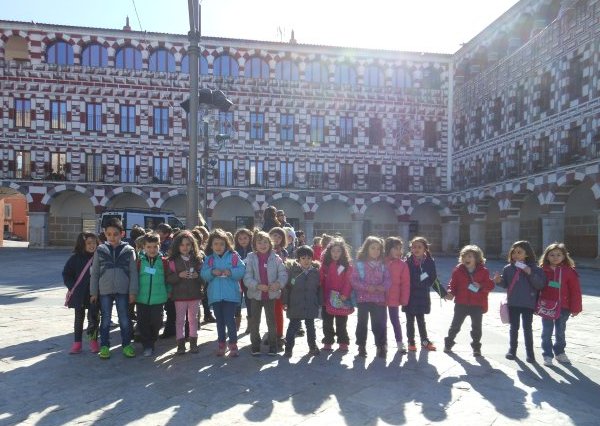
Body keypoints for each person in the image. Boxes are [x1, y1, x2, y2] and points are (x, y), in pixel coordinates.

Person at [90, 218, 138, 359]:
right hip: (104, 291)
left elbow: (133, 273)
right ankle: (105, 346)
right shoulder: (100, 250)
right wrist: (93, 292)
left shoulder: (129, 250)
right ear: (105, 234)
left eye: (115, 234)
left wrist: (133, 292)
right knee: (105, 319)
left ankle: (127, 344)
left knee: (124, 319)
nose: (112, 237)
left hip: (123, 291)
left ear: (122, 234)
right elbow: (95, 273)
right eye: (109, 234)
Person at [494, 240, 546, 363]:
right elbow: (506, 284)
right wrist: (498, 281)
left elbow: (540, 285)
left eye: (519, 252)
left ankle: (530, 354)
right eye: (514, 252)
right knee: (514, 328)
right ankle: (512, 350)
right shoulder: (508, 268)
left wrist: (530, 273)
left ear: (527, 254)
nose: (515, 255)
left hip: (528, 303)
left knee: (527, 328)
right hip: (513, 303)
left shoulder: (535, 269)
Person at [443, 245, 496, 357]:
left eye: (470, 256)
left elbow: (489, 285)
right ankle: (448, 344)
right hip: (461, 303)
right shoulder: (458, 270)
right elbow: (452, 284)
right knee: (455, 325)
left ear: (476, 258)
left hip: (477, 304)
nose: (466, 259)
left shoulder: (484, 271)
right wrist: (450, 292)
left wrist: (480, 286)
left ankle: (476, 347)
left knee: (476, 328)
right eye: (464, 256)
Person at [201, 229, 246, 357]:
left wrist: (231, 272)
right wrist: (211, 272)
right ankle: (221, 344)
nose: (219, 247)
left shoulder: (233, 256)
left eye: (221, 244)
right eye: (215, 244)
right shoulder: (209, 259)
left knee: (230, 320)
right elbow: (203, 274)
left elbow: (242, 270)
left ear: (226, 245)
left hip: (231, 296)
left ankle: (233, 344)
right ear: (211, 246)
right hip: (215, 296)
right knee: (220, 321)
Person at [243, 231, 288, 356]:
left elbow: (283, 274)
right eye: (259, 242)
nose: (263, 245)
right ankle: (255, 345)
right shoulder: (251, 258)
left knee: (271, 321)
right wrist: (257, 286)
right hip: (255, 295)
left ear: (270, 243)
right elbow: (247, 277)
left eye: (265, 242)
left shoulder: (276, 258)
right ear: (254, 245)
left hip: (271, 295)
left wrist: (278, 284)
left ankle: (273, 345)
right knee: (254, 321)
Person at [538, 242, 582, 366]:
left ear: (564, 256)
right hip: (547, 305)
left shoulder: (569, 271)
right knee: (546, 332)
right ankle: (547, 354)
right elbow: (536, 287)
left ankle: (560, 352)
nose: (555, 257)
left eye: (558, 254)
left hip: (563, 307)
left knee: (560, 331)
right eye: (552, 255)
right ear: (547, 256)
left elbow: (575, 290)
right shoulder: (542, 270)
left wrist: (576, 308)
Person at [403, 236, 447, 352]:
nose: (416, 249)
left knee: (421, 320)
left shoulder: (429, 262)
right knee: (409, 321)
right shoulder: (407, 262)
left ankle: (424, 341)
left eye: (419, 247)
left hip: (422, 295)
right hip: (410, 295)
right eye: (414, 247)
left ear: (425, 249)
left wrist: (443, 293)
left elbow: (433, 279)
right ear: (411, 248)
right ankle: (411, 342)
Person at [351, 236, 391, 358]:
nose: (375, 251)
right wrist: (366, 287)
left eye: (378, 249)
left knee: (379, 324)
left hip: (379, 300)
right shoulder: (360, 265)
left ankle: (381, 345)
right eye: (373, 248)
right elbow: (354, 280)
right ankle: (361, 346)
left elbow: (388, 279)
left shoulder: (383, 265)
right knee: (362, 324)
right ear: (366, 249)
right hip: (363, 299)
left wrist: (383, 287)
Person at [165, 231, 204, 355]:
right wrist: (178, 275)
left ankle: (193, 343)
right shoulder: (172, 261)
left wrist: (198, 276)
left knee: (193, 320)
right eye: (182, 245)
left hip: (194, 295)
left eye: (188, 244)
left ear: (193, 245)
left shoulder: (197, 260)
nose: (185, 247)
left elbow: (204, 278)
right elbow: (168, 278)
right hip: (179, 296)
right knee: (180, 321)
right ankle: (180, 345)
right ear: (177, 246)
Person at [63, 232, 101, 354]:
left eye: (94, 243)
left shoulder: (99, 257)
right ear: (82, 244)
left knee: (93, 318)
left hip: (94, 294)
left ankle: (93, 341)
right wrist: (72, 287)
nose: (92, 245)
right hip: (79, 294)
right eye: (88, 243)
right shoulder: (75, 258)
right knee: (79, 319)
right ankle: (77, 343)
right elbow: (66, 274)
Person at [136, 233, 171, 357]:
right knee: (143, 322)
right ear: (144, 247)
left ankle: (153, 340)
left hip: (159, 299)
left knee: (157, 322)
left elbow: (168, 278)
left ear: (159, 246)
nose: (152, 250)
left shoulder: (164, 262)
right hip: (141, 298)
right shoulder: (139, 261)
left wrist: (168, 291)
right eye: (149, 247)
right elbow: (134, 278)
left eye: (155, 246)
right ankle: (147, 345)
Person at [283, 245, 321, 358]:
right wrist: (285, 302)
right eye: (303, 258)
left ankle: (312, 347)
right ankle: (288, 349)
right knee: (292, 327)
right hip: (295, 304)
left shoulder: (315, 272)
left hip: (310, 304)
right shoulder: (292, 271)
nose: (306, 261)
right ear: (298, 259)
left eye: (309, 258)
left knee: (311, 327)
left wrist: (320, 302)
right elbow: (287, 288)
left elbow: (319, 288)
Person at [320, 238, 354, 352]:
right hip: (327, 298)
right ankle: (328, 340)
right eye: (333, 251)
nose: (335, 253)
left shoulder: (347, 266)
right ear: (329, 252)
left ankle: (343, 341)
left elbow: (349, 281)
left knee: (341, 322)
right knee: (327, 322)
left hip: (341, 298)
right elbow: (321, 280)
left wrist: (345, 294)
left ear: (343, 252)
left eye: (338, 251)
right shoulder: (325, 265)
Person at [384, 237, 410, 353]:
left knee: (395, 320)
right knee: (381, 321)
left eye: (400, 248)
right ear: (388, 248)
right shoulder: (381, 262)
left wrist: (404, 298)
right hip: (380, 297)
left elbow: (405, 284)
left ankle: (399, 342)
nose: (399, 251)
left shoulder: (402, 265)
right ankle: (383, 343)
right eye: (395, 248)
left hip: (394, 297)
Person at [269, 227, 289, 347]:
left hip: (279, 284)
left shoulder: (284, 252)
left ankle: (279, 335)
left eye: (279, 237)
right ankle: (271, 333)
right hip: (267, 284)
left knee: (278, 311)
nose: (276, 238)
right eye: (274, 235)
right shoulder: (264, 249)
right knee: (269, 312)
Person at [234, 228, 253, 333]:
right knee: (237, 301)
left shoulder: (253, 250)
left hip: (249, 279)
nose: (243, 240)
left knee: (249, 301)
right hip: (238, 279)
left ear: (250, 238)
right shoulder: (235, 251)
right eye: (240, 238)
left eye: (245, 238)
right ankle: (237, 321)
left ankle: (250, 323)